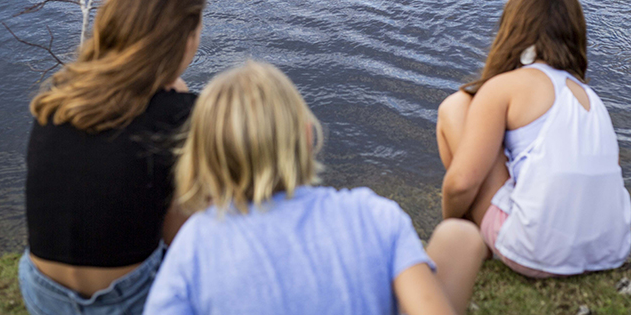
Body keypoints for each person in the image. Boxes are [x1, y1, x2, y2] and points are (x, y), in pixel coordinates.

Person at [144, 60, 486, 315]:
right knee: (459, 236)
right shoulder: (372, 214)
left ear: (205, 156)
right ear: (308, 137)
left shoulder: (194, 246)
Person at [19, 0, 206, 315]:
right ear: (184, 38)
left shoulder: (62, 95)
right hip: (127, 298)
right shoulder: (184, 116)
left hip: (41, 289)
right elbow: (180, 238)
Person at [437, 0, 631, 278]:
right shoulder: (592, 99)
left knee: (455, 107)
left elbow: (461, 184)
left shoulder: (504, 87)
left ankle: (471, 240)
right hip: (610, 249)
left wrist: (447, 227)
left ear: (514, 28)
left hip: (535, 251)